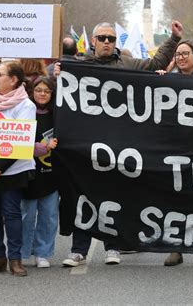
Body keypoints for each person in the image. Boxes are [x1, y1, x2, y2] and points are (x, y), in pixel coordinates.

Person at [56, 20, 183, 267]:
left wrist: (174, 39)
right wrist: (57, 75)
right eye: (102, 38)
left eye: (111, 39)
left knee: (111, 195)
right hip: (85, 146)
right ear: (92, 41)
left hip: (116, 146)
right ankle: (78, 250)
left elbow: (155, 64)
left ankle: (112, 247)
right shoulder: (77, 67)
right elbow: (51, 91)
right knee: (83, 195)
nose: (106, 42)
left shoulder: (127, 64)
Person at [158, 40, 193, 267]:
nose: (181, 57)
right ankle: (176, 247)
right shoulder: (168, 78)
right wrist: (156, 80)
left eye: (186, 53)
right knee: (175, 198)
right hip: (174, 148)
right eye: (178, 54)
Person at [0, 61, 37, 276]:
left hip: (12, 168)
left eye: (0, 74)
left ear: (13, 80)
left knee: (11, 214)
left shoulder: (26, 106)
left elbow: (21, 141)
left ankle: (15, 259)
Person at [21, 77, 58, 268]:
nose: (42, 94)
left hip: (51, 174)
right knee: (27, 215)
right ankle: (23, 251)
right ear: (32, 91)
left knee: (49, 215)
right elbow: (18, 142)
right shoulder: (25, 111)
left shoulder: (57, 115)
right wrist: (42, 148)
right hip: (27, 173)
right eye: (38, 90)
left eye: (47, 91)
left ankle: (43, 252)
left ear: (52, 94)